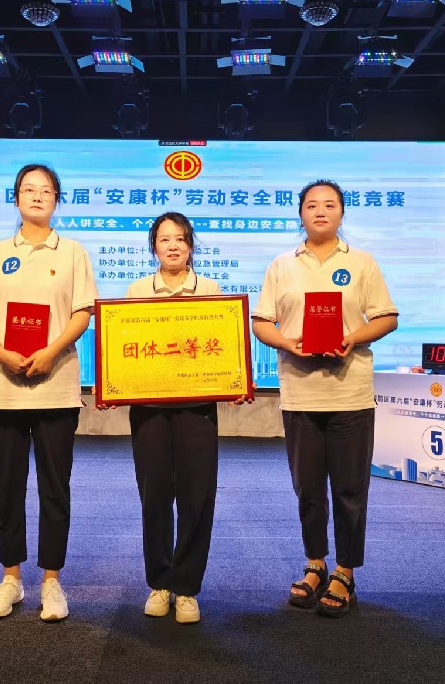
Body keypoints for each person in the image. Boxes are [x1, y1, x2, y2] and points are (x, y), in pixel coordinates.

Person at [251, 180, 398, 618]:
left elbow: (387, 317)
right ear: (300, 213)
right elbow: (262, 322)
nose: (320, 211)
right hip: (300, 394)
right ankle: (315, 564)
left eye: (329, 205)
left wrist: (353, 338)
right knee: (308, 489)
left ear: (341, 213)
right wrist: (287, 342)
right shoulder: (282, 264)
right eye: (312, 205)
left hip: (350, 393)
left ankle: (345, 571)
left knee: (350, 488)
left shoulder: (362, 262)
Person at [100, 212, 251, 624]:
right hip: (149, 411)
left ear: (190, 246)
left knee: (196, 496)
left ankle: (186, 587)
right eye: (164, 239)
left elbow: (223, 346)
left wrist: (235, 381)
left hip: (196, 409)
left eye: (180, 239)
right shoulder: (137, 290)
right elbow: (125, 346)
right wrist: (113, 385)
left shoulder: (210, 289)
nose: (172, 246)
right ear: (154, 246)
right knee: (154, 496)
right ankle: (159, 582)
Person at [0, 163, 98, 622]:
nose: (37, 196)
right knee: (8, 487)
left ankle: (51, 581)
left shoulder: (74, 252)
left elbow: (82, 313)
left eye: (45, 190)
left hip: (55, 386)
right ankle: (11, 578)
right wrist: (2, 352)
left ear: (57, 200)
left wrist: (51, 351)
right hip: (3, 387)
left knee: (54, 487)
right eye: (28, 189)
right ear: (16, 198)